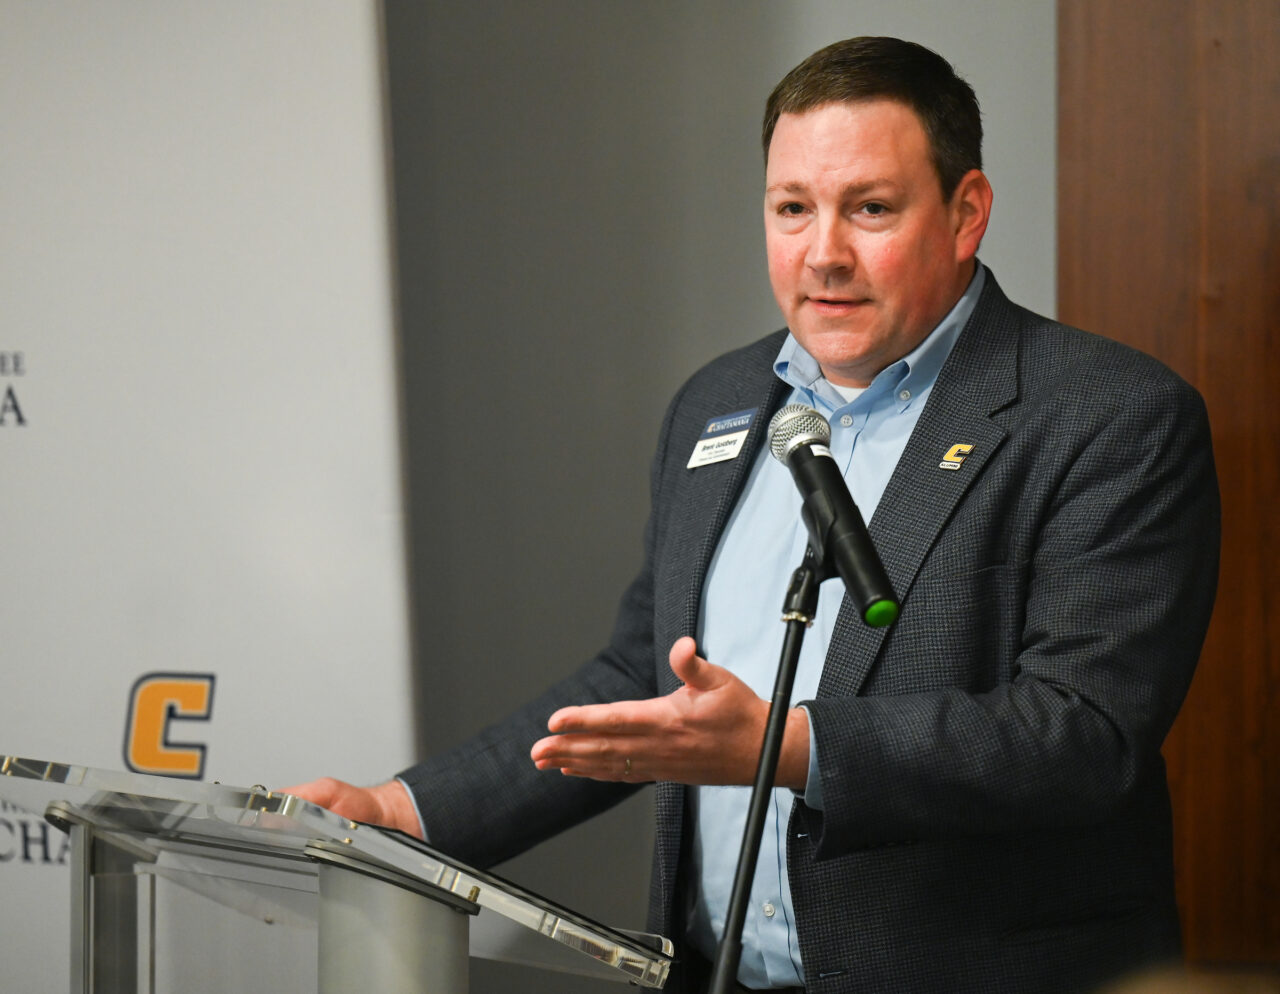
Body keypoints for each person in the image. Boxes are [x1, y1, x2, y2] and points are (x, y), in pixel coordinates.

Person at [288, 37, 1220, 994]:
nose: (824, 254)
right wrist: (404, 812)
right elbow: (643, 673)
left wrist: (787, 748)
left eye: (870, 208)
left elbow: (1080, 735)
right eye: (792, 209)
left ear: (965, 213)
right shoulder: (719, 403)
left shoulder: (1110, 416)